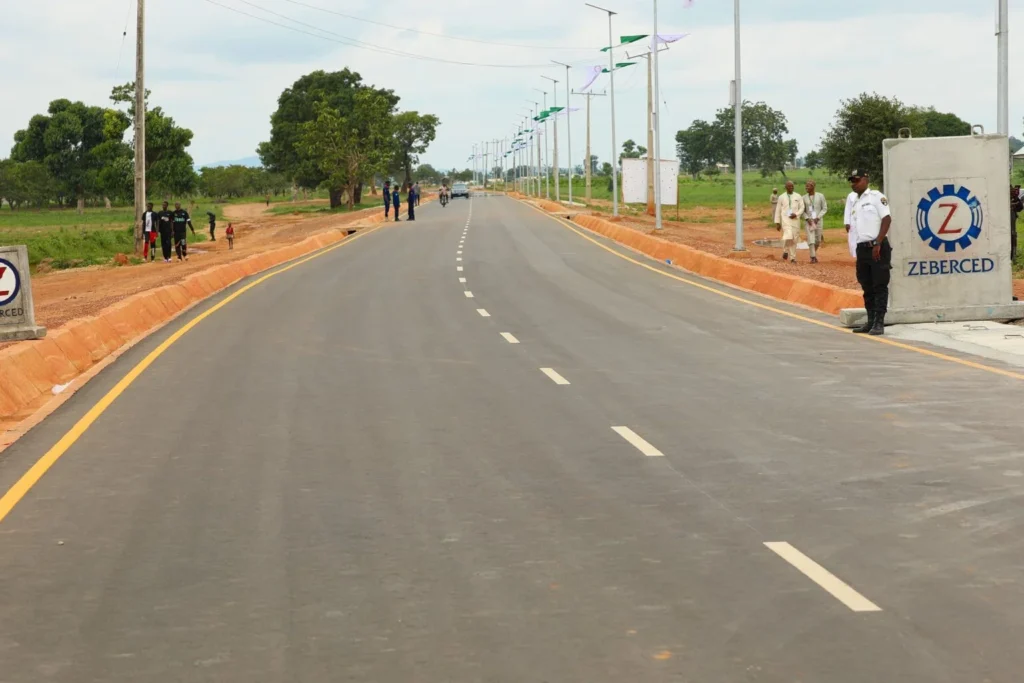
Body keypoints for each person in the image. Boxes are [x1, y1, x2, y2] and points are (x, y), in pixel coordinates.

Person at [845, 169, 892, 336]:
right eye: (851, 181)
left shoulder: (876, 197)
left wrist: (878, 242)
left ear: (866, 179)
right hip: (862, 248)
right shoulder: (855, 202)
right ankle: (871, 320)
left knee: (880, 285)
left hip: (877, 247)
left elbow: (887, 219)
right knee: (867, 285)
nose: (853, 184)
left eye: (856, 180)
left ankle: (879, 322)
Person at [774, 181, 805, 262]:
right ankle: (788, 254)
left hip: (795, 220)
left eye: (792, 186)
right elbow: (777, 210)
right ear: (786, 187)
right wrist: (777, 222)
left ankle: (790, 255)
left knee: (794, 238)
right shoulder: (781, 197)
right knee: (789, 235)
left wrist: (796, 214)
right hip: (785, 219)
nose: (791, 188)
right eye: (789, 186)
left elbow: (802, 207)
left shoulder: (798, 196)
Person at [803, 180, 828, 264]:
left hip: (818, 221)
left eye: (808, 186)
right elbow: (802, 211)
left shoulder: (820, 196)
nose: (806, 187)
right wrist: (807, 218)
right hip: (809, 221)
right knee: (811, 239)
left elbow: (824, 208)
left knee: (817, 240)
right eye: (806, 186)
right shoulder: (804, 198)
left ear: (813, 187)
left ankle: (813, 253)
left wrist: (818, 218)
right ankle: (813, 257)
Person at [1011, 185, 1022, 261]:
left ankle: (1013, 255)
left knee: (1013, 235)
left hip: (1011, 217)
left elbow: (1020, 207)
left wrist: (1015, 197)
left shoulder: (1013, 196)